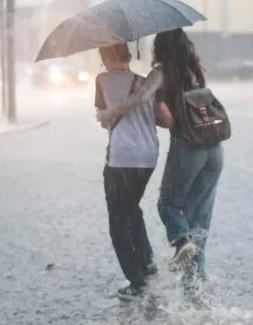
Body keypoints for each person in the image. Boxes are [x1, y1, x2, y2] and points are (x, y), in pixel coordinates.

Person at [97, 29, 224, 298]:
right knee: (198, 214)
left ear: (161, 49)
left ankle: (179, 243)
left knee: (167, 203)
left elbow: (146, 103)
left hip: (190, 147)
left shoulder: (161, 73)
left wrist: (112, 112)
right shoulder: (194, 72)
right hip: (215, 148)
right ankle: (194, 280)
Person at [95, 43, 173, 301]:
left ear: (105, 57)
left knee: (117, 219)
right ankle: (148, 265)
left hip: (122, 159)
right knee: (132, 208)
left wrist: (107, 115)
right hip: (148, 157)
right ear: (128, 55)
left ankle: (136, 281)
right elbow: (158, 117)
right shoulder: (144, 82)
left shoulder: (102, 81)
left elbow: (102, 118)